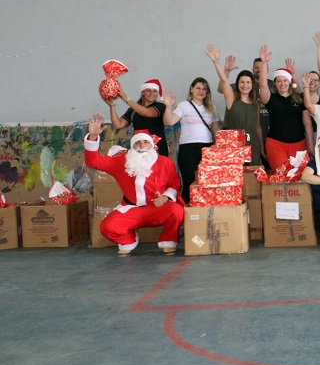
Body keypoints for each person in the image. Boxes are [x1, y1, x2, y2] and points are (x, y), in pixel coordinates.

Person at [84, 116, 184, 257]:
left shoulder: (164, 162)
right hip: (131, 210)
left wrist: (166, 198)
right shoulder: (121, 162)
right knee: (107, 227)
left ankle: (168, 240)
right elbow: (94, 162)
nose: (142, 146)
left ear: (152, 145)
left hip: (157, 208)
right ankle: (128, 240)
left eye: (145, 142)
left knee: (177, 211)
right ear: (132, 146)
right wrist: (93, 137)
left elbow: (174, 184)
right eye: (137, 143)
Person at [163, 78, 220, 202]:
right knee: (190, 181)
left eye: (204, 89)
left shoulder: (212, 108)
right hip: (188, 148)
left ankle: (205, 209)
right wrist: (168, 107)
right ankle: (188, 213)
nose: (201, 91)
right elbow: (169, 122)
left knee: (208, 181)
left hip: (207, 148)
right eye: (198, 88)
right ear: (191, 89)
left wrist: (218, 147)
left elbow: (215, 130)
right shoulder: (184, 105)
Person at [207, 45, 263, 165]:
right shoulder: (231, 99)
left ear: (252, 85)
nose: (245, 85)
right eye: (242, 82)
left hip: (253, 145)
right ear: (237, 84)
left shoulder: (255, 104)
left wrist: (262, 147)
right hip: (233, 146)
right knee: (235, 178)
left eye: (248, 82)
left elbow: (257, 127)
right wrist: (216, 62)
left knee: (252, 180)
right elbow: (223, 80)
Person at [256, 45, 307, 171]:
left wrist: (310, 144)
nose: (282, 83)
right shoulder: (270, 98)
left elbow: (307, 123)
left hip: (299, 144)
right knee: (282, 177)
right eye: (278, 81)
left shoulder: (299, 99)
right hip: (276, 145)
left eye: (285, 80)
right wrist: (264, 63)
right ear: (274, 83)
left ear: (290, 82)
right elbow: (262, 85)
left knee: (300, 178)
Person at [107, 79, 169, 157]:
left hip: (157, 146)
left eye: (155, 91)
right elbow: (118, 125)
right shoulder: (133, 110)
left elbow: (146, 112)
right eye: (148, 90)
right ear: (143, 92)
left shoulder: (160, 106)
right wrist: (112, 107)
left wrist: (126, 99)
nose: (152, 93)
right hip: (139, 147)